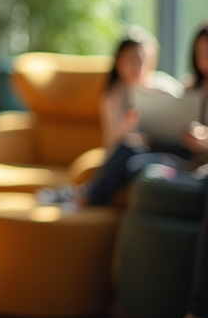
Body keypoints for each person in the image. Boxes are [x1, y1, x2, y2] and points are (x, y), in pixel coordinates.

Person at [80, 34, 187, 206]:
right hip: (139, 152)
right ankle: (89, 196)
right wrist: (125, 127)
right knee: (128, 154)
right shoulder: (114, 95)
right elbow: (110, 145)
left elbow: (185, 120)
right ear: (118, 62)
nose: (137, 67)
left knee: (128, 152)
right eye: (131, 60)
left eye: (142, 60)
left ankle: (88, 197)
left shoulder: (166, 87)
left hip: (171, 149)